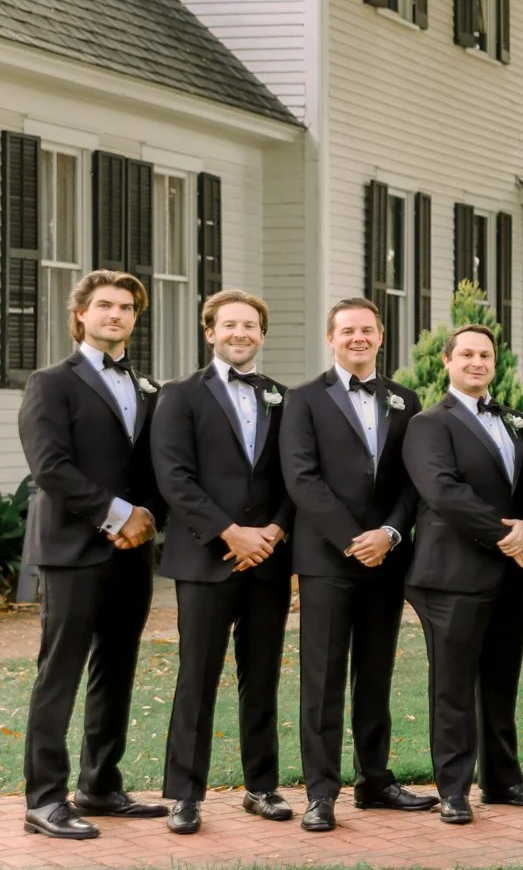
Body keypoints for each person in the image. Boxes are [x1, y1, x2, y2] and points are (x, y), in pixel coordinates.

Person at [18, 271, 170, 839]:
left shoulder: (149, 387)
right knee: (59, 672)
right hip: (73, 548)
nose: (116, 315)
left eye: (127, 307)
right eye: (104, 305)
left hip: (133, 553)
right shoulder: (49, 382)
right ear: (80, 314)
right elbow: (50, 466)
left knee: (117, 668)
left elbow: (161, 467)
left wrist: (148, 517)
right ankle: (45, 798)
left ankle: (101, 785)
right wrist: (117, 515)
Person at [279, 297, 437, 831]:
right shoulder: (302, 400)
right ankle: (320, 792)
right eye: (347, 331)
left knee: (376, 674)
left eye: (366, 330)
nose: (357, 338)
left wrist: (389, 534)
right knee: (322, 678)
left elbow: (414, 479)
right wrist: (352, 539)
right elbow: (302, 478)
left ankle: (375, 780)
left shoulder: (405, 400)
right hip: (328, 558)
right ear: (331, 338)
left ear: (380, 335)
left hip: (386, 559)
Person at [152, 290, 295, 835]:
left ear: (262, 333)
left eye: (251, 325)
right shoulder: (180, 395)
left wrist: (275, 532)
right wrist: (230, 533)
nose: (241, 333)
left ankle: (261, 787)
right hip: (206, 558)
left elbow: (295, 475)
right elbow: (174, 476)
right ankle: (185, 795)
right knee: (198, 677)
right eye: (229, 324)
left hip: (269, 561)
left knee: (261, 678)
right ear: (209, 332)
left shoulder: (284, 398)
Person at [403, 324, 523, 826]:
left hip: (510, 576)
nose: (476, 362)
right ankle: (452, 788)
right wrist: (507, 536)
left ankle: (503, 780)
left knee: (500, 681)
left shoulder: (517, 421)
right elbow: (443, 492)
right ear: (447, 361)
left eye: (485, 355)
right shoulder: (428, 424)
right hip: (452, 575)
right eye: (466, 354)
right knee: (453, 685)